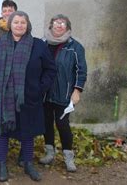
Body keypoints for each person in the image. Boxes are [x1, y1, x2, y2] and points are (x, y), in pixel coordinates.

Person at [0, 11, 56, 182]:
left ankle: (28, 164)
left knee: (28, 132)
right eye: (16, 22)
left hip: (29, 98)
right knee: (3, 132)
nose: (19, 25)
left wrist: (40, 88)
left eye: (23, 22)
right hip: (4, 98)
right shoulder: (0, 45)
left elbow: (51, 69)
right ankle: (2, 164)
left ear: (27, 25)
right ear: (10, 25)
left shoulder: (38, 45)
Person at [39, 14, 87, 172]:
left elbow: (81, 71)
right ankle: (49, 153)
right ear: (51, 25)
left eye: (63, 24)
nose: (59, 26)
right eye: (56, 23)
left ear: (67, 27)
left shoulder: (75, 47)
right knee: (46, 123)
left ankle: (68, 157)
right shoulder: (43, 43)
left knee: (62, 125)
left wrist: (77, 90)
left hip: (64, 94)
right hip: (45, 93)